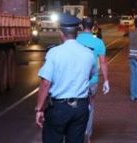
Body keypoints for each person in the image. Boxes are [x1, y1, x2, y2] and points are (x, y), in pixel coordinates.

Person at [35, 13, 97, 143]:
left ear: (61, 33)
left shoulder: (54, 53)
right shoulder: (89, 53)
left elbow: (46, 82)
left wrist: (39, 108)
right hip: (80, 108)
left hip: (58, 108)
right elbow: (91, 75)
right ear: (77, 33)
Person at [76, 16, 110, 142]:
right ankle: (87, 135)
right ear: (94, 27)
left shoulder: (75, 40)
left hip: (77, 81)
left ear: (81, 26)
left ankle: (76, 134)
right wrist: (106, 80)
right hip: (92, 81)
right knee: (90, 107)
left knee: (76, 106)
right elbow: (103, 63)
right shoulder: (99, 43)